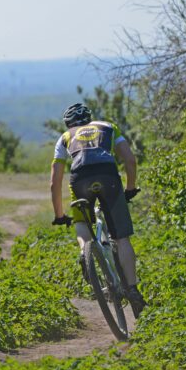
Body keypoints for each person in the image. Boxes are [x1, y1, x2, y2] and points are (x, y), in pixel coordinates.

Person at [50, 103, 146, 316]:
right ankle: (133, 290)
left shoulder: (65, 137)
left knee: (82, 224)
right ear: (90, 117)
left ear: (69, 123)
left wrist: (59, 215)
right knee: (122, 238)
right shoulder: (108, 127)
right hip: (109, 177)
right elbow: (130, 160)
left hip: (80, 180)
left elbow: (55, 181)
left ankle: (85, 251)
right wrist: (130, 189)